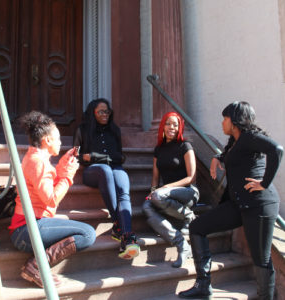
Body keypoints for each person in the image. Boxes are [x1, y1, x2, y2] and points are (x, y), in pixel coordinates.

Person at [178, 101, 283, 299]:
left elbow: (277, 150)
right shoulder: (236, 141)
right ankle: (203, 284)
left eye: (225, 118)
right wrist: (218, 157)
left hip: (259, 204)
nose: (222, 123)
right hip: (238, 204)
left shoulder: (250, 137)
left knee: (261, 257)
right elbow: (231, 156)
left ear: (235, 121)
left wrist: (265, 182)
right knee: (197, 227)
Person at [9, 111, 96, 288]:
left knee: (84, 231)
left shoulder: (35, 158)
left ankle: (37, 264)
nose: (60, 143)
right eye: (58, 139)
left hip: (28, 227)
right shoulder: (38, 162)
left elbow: (45, 190)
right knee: (87, 234)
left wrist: (62, 167)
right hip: (26, 229)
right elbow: (51, 200)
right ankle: (36, 265)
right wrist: (67, 176)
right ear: (47, 140)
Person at [73, 98, 140, 260]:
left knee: (123, 186)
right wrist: (99, 159)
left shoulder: (114, 130)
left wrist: (95, 156)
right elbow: (77, 155)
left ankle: (126, 236)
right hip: (92, 172)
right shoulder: (82, 130)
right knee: (105, 170)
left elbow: (120, 157)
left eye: (107, 111)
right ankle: (119, 223)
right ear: (92, 113)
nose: (105, 115)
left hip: (115, 167)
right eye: (101, 111)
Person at [142, 112, 199, 268]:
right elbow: (155, 177)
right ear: (163, 126)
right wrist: (152, 192)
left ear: (179, 127)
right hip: (165, 195)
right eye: (168, 123)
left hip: (187, 191)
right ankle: (181, 244)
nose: (171, 127)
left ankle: (188, 215)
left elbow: (191, 178)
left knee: (159, 195)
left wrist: (167, 187)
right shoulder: (158, 150)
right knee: (146, 206)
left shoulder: (185, 146)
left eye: (175, 124)